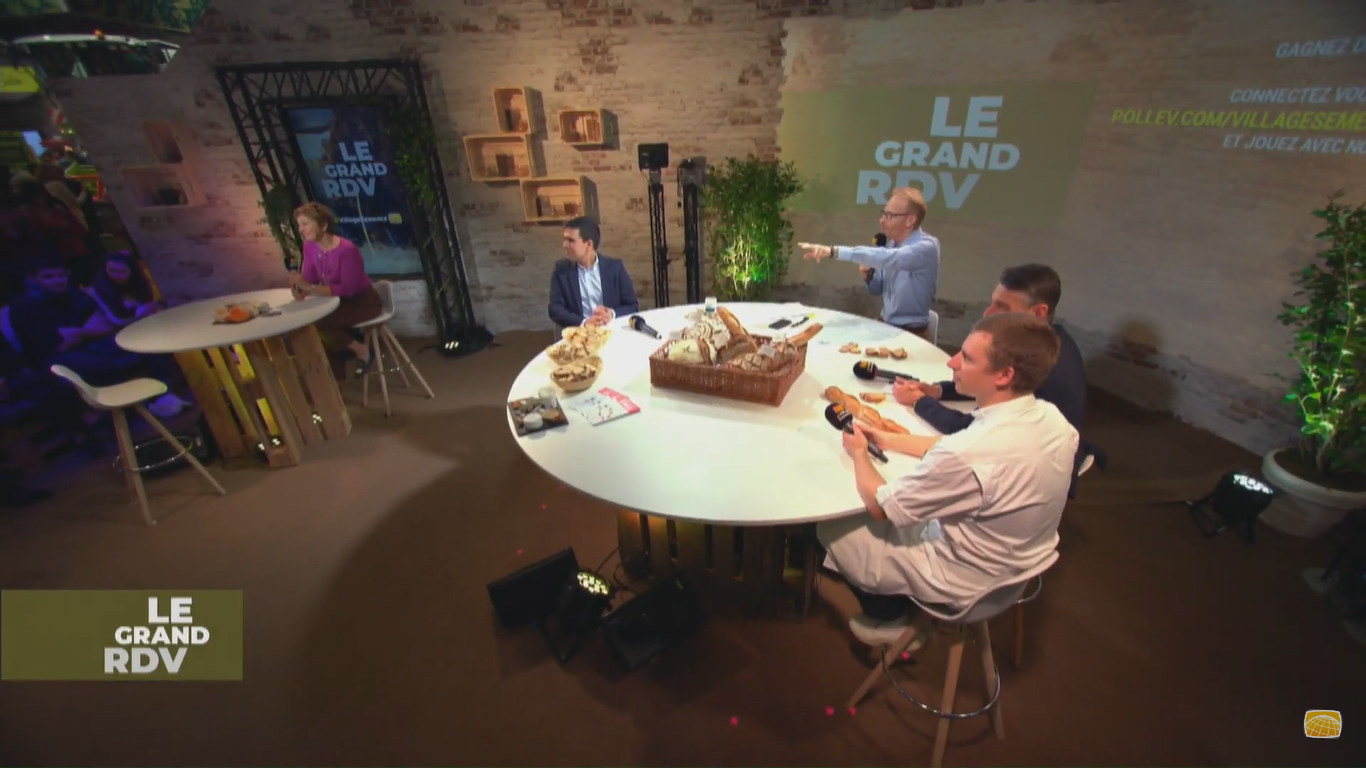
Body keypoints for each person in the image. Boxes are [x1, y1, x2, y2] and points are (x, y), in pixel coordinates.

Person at [816, 312, 1078, 647]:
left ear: (1004, 375)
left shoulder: (967, 453)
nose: (952, 362)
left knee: (828, 523)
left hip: (963, 580)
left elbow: (881, 506)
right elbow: (958, 447)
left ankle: (890, 613)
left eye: (966, 358)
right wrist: (889, 438)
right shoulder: (1052, 419)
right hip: (1015, 567)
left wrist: (859, 454)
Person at [893, 264, 1094, 493]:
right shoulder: (1041, 343)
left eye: (1002, 307)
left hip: (1026, 479)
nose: (988, 313)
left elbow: (974, 431)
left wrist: (920, 402)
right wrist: (938, 391)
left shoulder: (1048, 369)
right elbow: (989, 379)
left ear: (1038, 313)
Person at [7, 255, 189, 417]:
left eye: (61, 275)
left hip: (89, 343)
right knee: (99, 365)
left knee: (147, 340)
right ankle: (133, 409)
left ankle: (164, 396)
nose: (57, 281)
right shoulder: (24, 307)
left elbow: (104, 325)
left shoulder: (72, 292)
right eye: (48, 277)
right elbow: (57, 347)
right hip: (55, 359)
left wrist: (79, 332)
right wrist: (86, 331)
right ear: (33, 279)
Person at [798, 187, 940, 339]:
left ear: (910, 220)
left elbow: (891, 258)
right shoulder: (891, 244)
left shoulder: (927, 247)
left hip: (912, 333)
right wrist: (869, 275)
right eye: (883, 214)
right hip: (886, 325)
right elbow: (877, 289)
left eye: (890, 215)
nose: (882, 220)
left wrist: (832, 251)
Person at [288, 202, 383, 381]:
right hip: (335, 301)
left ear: (323, 225)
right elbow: (309, 279)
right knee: (315, 324)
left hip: (362, 303)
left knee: (321, 321)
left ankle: (361, 350)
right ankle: (334, 382)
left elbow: (348, 290)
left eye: (305, 224)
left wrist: (309, 288)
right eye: (299, 225)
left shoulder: (347, 250)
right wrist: (299, 288)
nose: (301, 229)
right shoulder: (309, 246)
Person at [547, 216, 639, 329]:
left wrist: (611, 313)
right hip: (580, 332)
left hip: (612, 331)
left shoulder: (615, 268)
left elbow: (632, 306)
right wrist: (584, 322)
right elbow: (555, 309)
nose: (564, 245)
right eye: (565, 240)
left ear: (589, 244)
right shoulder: (561, 270)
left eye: (571, 240)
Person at [86, 251, 163, 328]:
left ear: (132, 272)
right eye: (111, 270)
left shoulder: (141, 281)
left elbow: (149, 304)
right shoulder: (97, 289)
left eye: (122, 271)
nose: (116, 275)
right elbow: (117, 321)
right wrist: (141, 314)